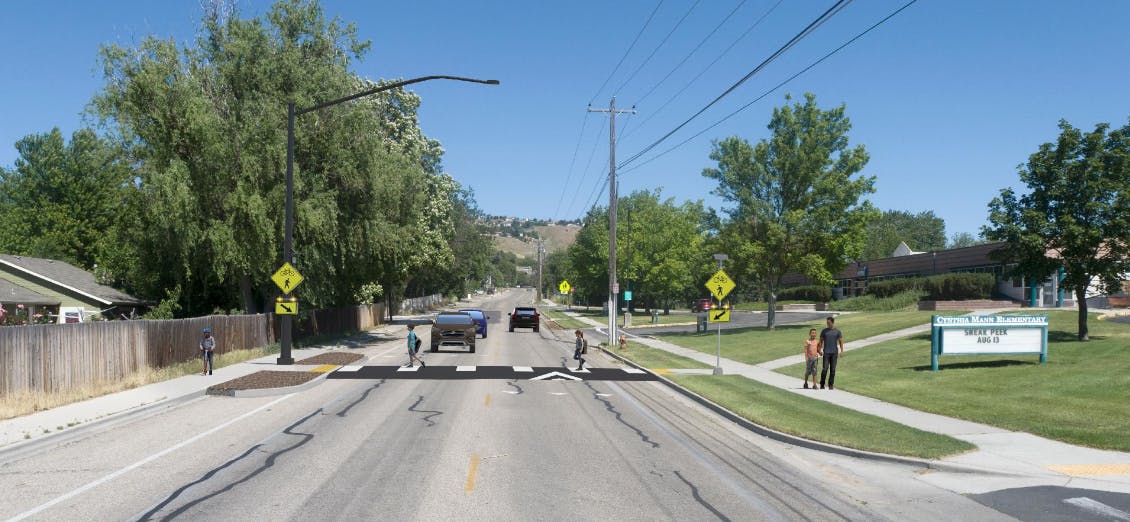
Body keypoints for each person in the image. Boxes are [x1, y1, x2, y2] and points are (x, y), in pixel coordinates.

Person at [817, 316, 845, 390]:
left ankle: (830, 385)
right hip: (826, 352)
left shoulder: (837, 331)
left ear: (832, 322)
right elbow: (820, 341)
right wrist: (819, 350)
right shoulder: (824, 331)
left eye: (828, 322)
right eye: (827, 322)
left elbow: (841, 341)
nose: (827, 324)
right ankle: (822, 384)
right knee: (825, 369)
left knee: (833, 370)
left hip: (834, 353)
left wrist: (842, 351)